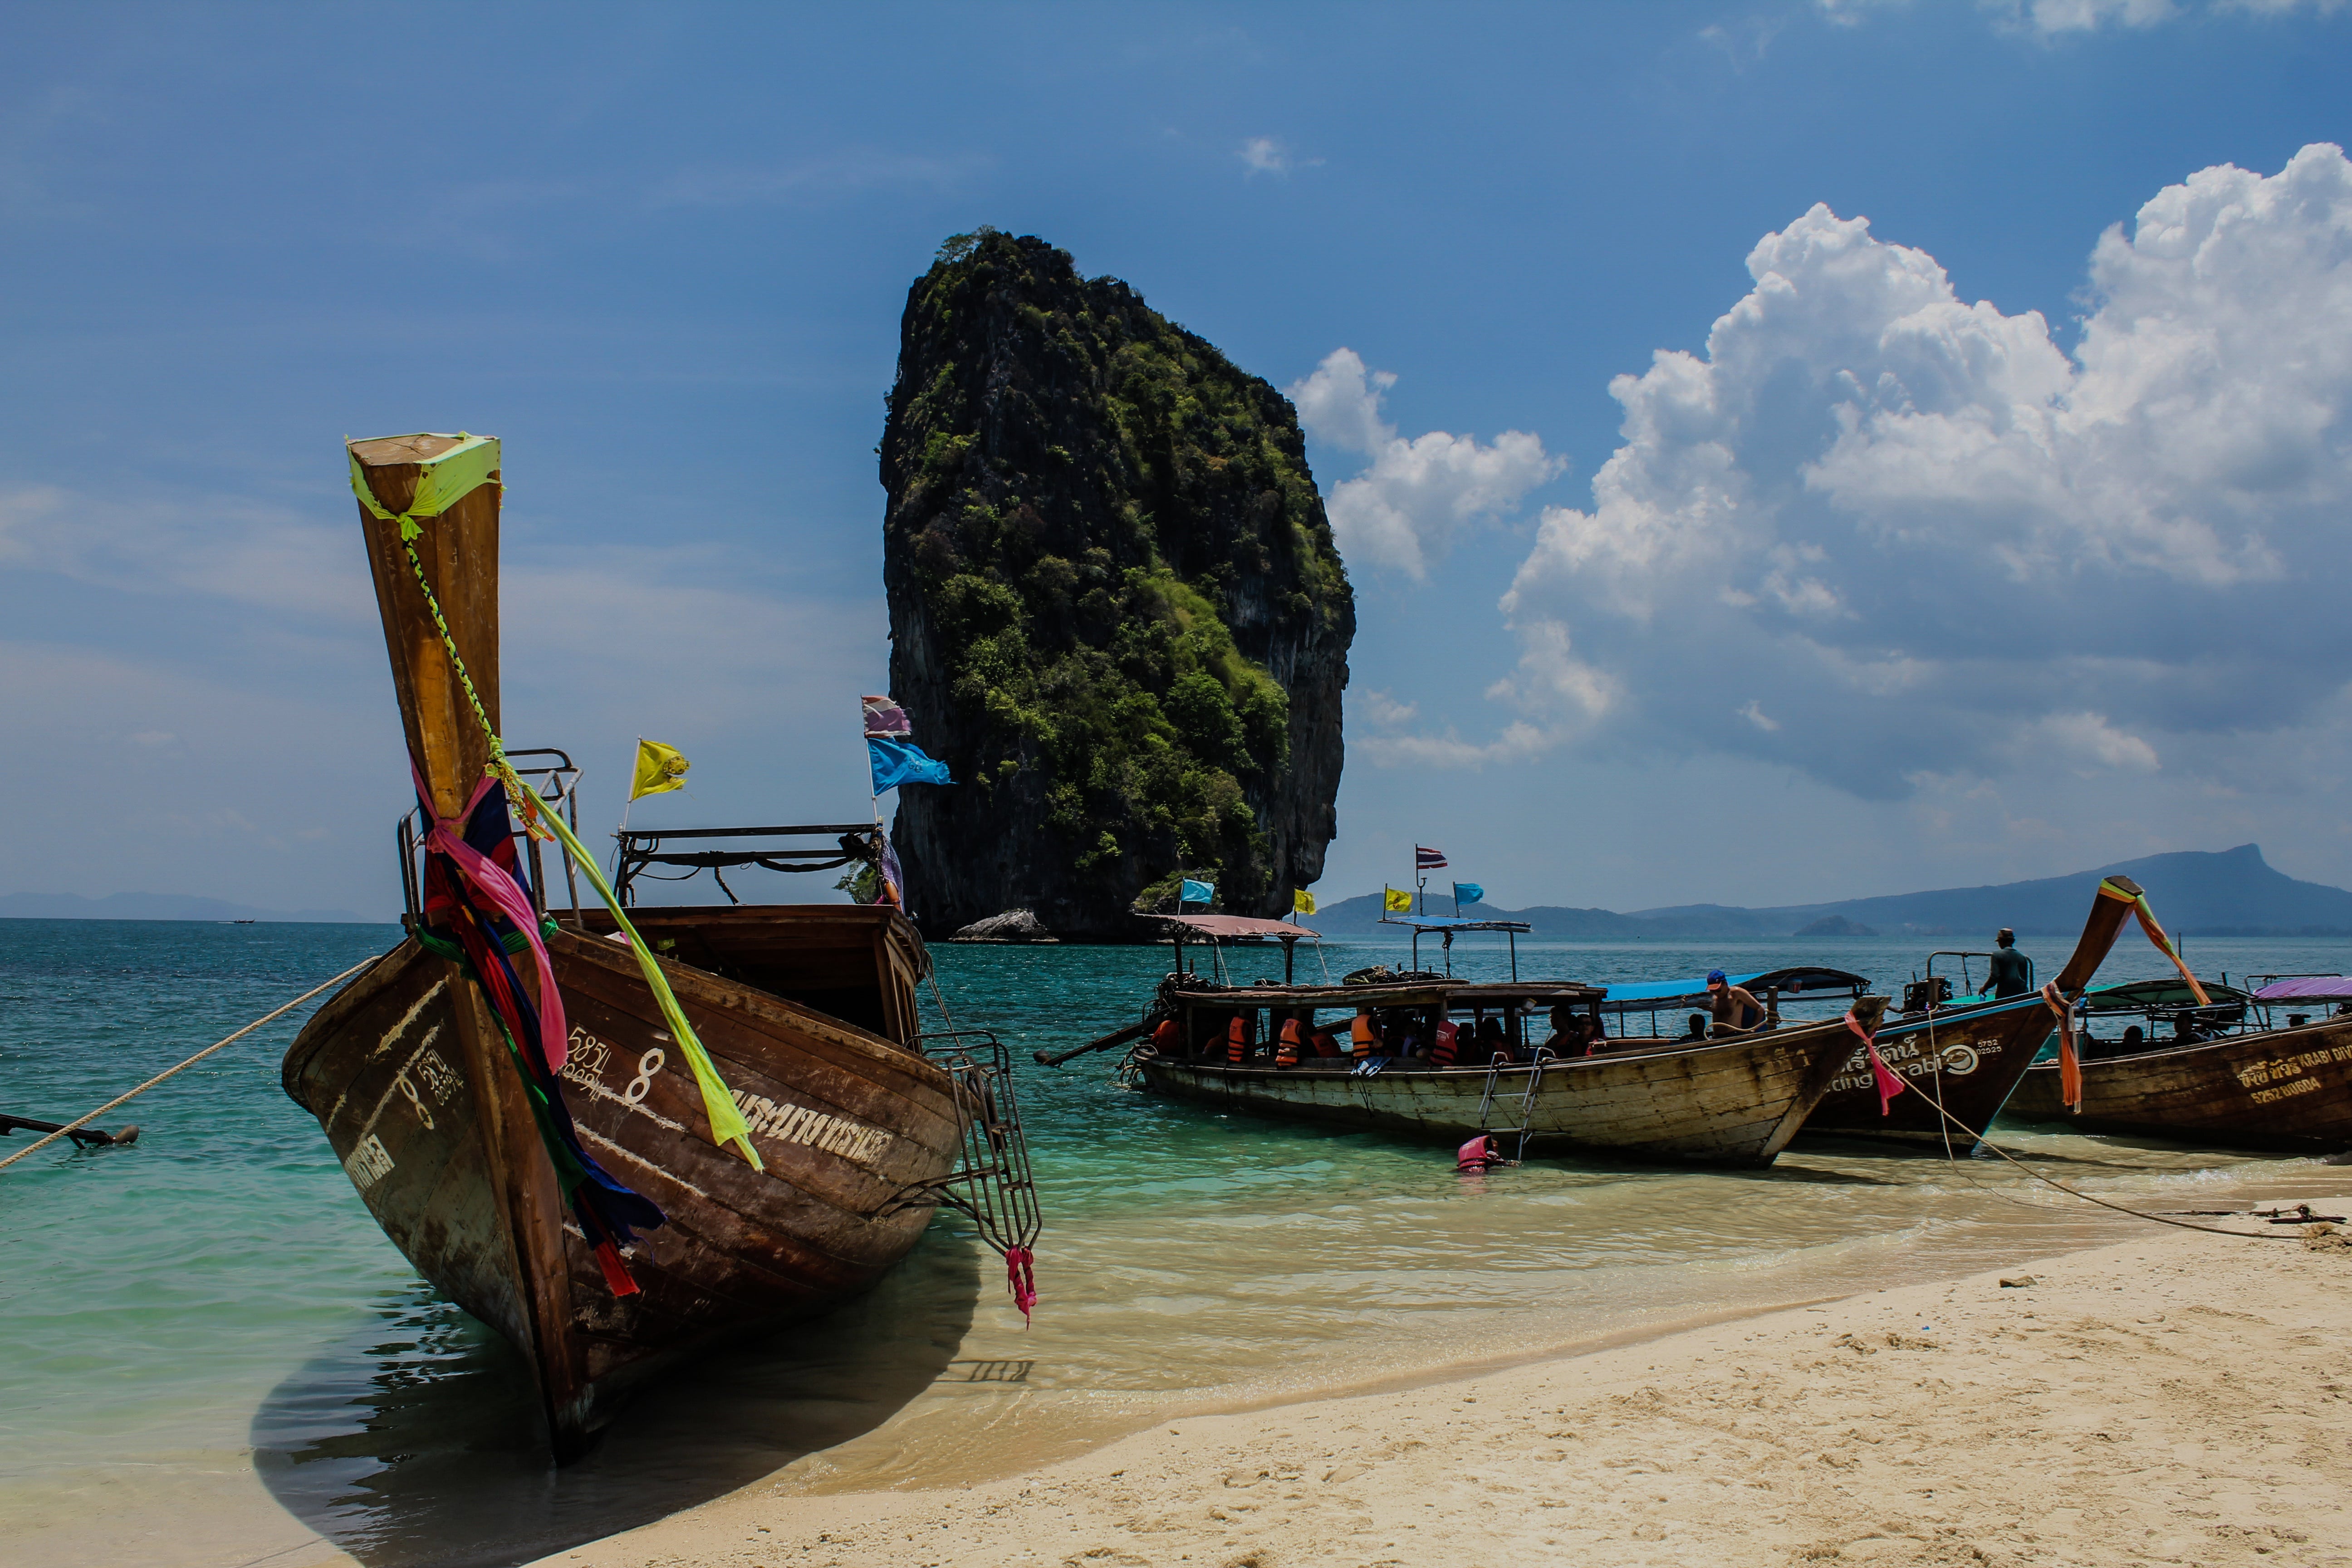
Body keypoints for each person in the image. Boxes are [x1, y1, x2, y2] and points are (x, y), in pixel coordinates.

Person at [1705, 970, 1764, 1036]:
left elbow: (1760, 1009)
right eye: (1712, 991)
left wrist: (1752, 1029)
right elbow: (1721, 1012)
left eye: (1718, 990)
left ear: (1725, 984)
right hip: (1716, 1036)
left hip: (1734, 1035)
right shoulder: (1714, 997)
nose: (1715, 993)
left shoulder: (1736, 993)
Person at [1987, 930, 2031, 999]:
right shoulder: (2023, 958)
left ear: (2001, 942)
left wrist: (1984, 989)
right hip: (2023, 996)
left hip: (2005, 996)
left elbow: (1995, 977)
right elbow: (2024, 980)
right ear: (2013, 941)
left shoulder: (1997, 955)